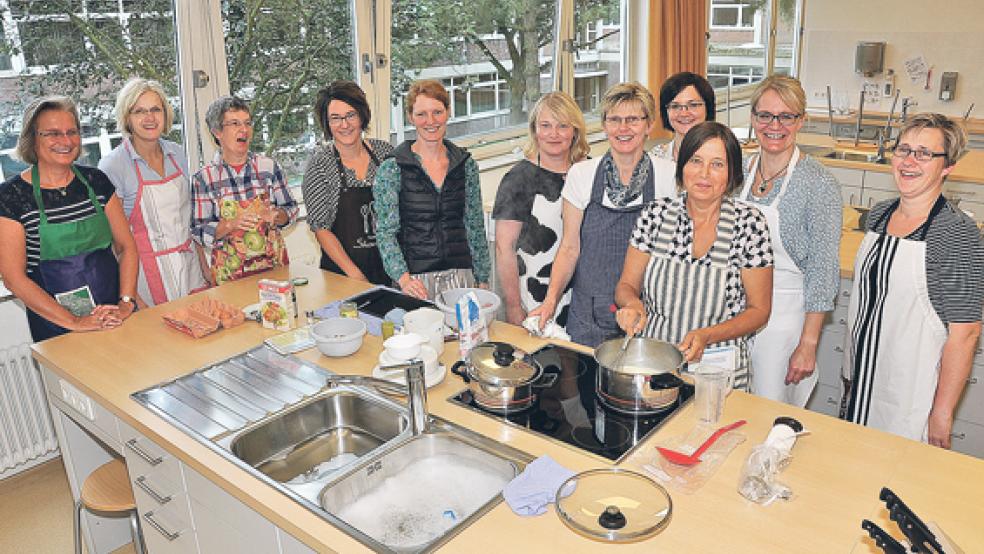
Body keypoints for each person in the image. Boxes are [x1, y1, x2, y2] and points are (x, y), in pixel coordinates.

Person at [841, 113, 984, 448]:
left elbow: (965, 333)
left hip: (909, 396)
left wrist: (942, 413)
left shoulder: (956, 234)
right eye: (903, 149)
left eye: (924, 154)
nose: (909, 161)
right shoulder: (878, 215)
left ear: (947, 166)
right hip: (860, 379)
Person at [614, 122, 774, 390]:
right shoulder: (655, 215)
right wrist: (632, 305)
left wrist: (707, 335)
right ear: (682, 166)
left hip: (719, 371)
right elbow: (626, 286)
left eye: (717, 164)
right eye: (696, 161)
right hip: (657, 363)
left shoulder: (749, 224)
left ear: (732, 173)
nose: (704, 174)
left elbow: (759, 311)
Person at [529, 82, 676, 347]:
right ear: (604, 125)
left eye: (633, 119)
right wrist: (550, 300)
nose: (623, 129)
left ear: (649, 124)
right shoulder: (582, 175)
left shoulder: (669, 176)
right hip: (589, 315)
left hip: (650, 314)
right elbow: (570, 248)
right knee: (585, 386)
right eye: (614, 120)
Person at [738, 75, 841, 407]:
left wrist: (808, 343)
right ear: (753, 118)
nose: (774, 125)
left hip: (783, 319)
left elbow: (822, 269)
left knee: (770, 414)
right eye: (765, 115)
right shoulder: (738, 170)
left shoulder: (818, 184)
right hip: (730, 313)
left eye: (786, 116)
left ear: (801, 121)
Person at [0, 96, 139, 341]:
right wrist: (75, 322)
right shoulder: (11, 196)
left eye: (71, 132)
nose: (65, 141)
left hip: (113, 317)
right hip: (57, 327)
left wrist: (126, 303)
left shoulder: (97, 182)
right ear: (32, 139)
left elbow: (126, 247)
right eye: (52, 133)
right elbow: (14, 278)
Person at [373, 79, 491, 299]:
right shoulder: (392, 168)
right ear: (410, 117)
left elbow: (474, 225)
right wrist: (403, 278)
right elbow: (386, 232)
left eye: (437, 112)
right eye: (421, 114)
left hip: (461, 273)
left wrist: (483, 278)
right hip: (416, 279)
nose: (430, 121)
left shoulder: (466, 165)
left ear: (448, 112)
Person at [98, 77, 208, 307]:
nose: (149, 118)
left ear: (165, 114)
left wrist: (206, 271)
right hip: (146, 279)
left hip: (190, 269)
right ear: (127, 118)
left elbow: (191, 221)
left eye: (155, 109)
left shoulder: (178, 154)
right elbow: (114, 244)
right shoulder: (113, 166)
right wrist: (132, 298)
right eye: (139, 111)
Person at [492, 92, 589, 326]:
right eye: (545, 125)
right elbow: (504, 248)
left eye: (562, 126)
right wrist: (514, 307)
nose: (553, 134)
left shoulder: (588, 173)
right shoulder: (517, 179)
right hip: (535, 298)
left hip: (583, 297)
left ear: (575, 131)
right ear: (535, 130)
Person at [191, 96, 298, 285]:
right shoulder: (204, 178)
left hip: (274, 269)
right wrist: (229, 225)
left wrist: (277, 215)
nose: (244, 130)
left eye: (247, 123)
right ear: (217, 132)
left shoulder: (269, 167)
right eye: (234, 123)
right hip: (229, 275)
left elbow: (291, 208)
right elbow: (198, 230)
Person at [301, 81, 394, 284]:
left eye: (350, 115)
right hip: (343, 275)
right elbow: (321, 228)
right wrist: (355, 276)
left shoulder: (385, 154)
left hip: (390, 270)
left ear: (362, 115)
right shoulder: (320, 165)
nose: (344, 125)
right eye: (335, 118)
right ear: (327, 124)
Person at [650, 72, 716, 162]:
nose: (684, 114)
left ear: (708, 107)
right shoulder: (655, 157)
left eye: (693, 105)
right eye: (675, 106)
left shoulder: (725, 155)